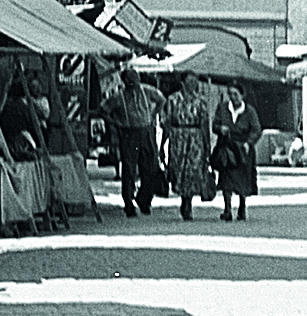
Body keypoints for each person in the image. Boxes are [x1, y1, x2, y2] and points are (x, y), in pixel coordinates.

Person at [162, 73, 215, 222]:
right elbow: (167, 123)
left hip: (195, 138)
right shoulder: (172, 100)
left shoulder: (201, 101)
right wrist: (162, 145)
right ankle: (184, 198)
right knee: (178, 170)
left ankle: (188, 202)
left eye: (195, 81)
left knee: (192, 170)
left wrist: (207, 145)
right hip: (178, 137)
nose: (193, 84)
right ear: (183, 83)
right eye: (190, 81)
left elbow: (205, 124)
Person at [111, 65, 161, 214]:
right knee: (129, 169)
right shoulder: (119, 96)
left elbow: (161, 100)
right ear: (125, 81)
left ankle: (144, 199)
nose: (134, 81)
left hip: (146, 131)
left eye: (135, 77)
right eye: (130, 79)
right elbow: (104, 109)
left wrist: (152, 115)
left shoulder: (146, 91)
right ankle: (128, 202)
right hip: (129, 133)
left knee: (150, 167)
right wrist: (116, 123)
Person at [212, 85, 259, 223]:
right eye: (230, 94)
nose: (233, 97)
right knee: (226, 178)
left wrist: (249, 143)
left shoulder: (249, 111)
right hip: (227, 147)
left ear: (242, 95)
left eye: (235, 94)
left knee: (243, 178)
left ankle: (242, 207)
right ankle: (227, 209)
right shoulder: (222, 108)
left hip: (243, 149)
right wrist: (220, 128)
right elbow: (214, 125)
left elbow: (256, 129)